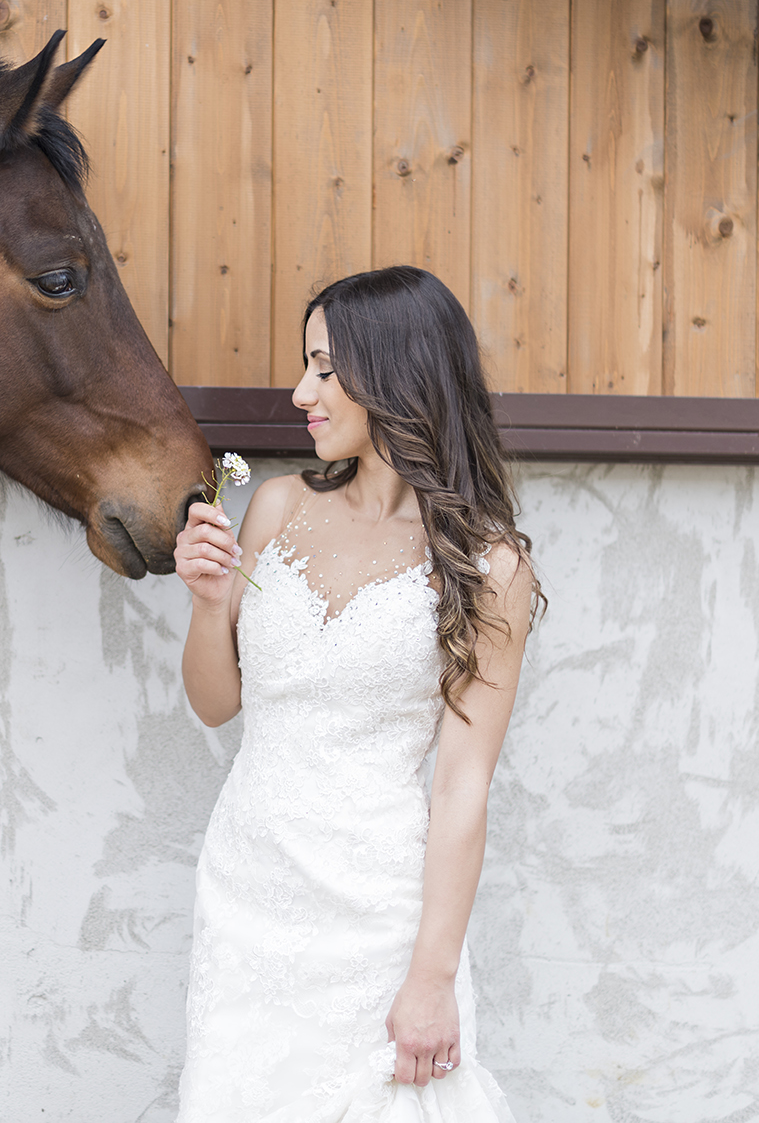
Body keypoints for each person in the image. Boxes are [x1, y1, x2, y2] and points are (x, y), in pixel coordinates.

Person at [172, 266, 543, 1121]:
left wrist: (432, 975)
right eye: (306, 366)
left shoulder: (489, 567)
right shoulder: (272, 508)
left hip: (378, 910)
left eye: (325, 370)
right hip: (247, 893)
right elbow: (217, 703)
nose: (303, 391)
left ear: (397, 375)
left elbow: (461, 786)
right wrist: (204, 606)